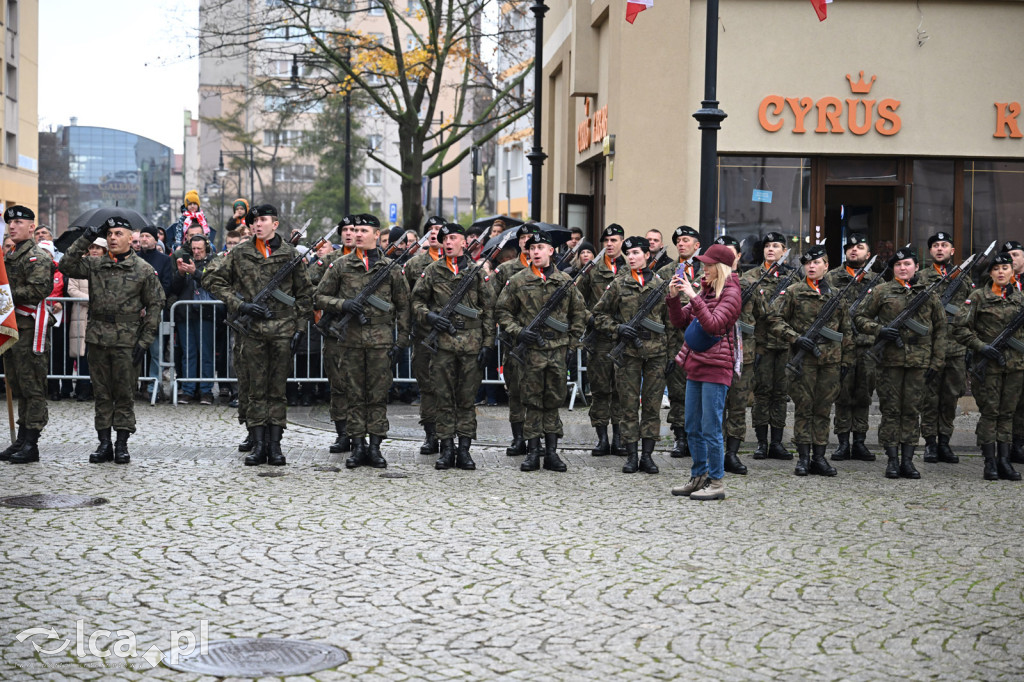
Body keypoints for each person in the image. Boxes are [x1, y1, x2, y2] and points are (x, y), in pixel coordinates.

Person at [204, 204, 313, 466]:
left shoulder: (290, 255)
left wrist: (299, 328)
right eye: (253, 221)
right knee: (254, 390)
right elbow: (211, 279)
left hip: (282, 331)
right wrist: (239, 304)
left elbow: (305, 294)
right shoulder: (240, 252)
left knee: (276, 390)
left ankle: (275, 446)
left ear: (275, 224)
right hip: (251, 331)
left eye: (263, 220)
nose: (257, 224)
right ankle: (258, 444)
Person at [58, 216, 165, 464]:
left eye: (118, 233)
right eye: (110, 234)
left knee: (125, 394)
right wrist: (86, 236)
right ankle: (104, 442)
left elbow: (156, 305)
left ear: (131, 238)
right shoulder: (96, 265)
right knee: (102, 394)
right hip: (97, 339)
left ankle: (122, 444)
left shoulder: (143, 270)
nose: (113, 238)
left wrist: (144, 341)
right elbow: (66, 265)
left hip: (127, 342)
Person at [315, 213, 411, 469]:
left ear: (376, 235)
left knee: (378, 395)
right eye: (355, 230)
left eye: (363, 231)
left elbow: (403, 306)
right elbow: (319, 297)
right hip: (351, 340)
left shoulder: (390, 268)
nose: (357, 234)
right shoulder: (341, 265)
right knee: (354, 394)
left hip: (381, 342)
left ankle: (376, 447)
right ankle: (357, 446)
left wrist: (401, 340)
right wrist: (344, 304)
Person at [495, 231, 587, 472]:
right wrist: (518, 331)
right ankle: (533, 452)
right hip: (531, 352)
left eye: (540, 247)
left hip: (557, 351)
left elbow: (579, 314)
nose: (535, 251)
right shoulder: (518, 280)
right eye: (532, 247)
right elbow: (502, 311)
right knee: (532, 401)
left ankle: (552, 453)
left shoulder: (564, 281)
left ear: (551, 251)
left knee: (553, 401)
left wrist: (572, 343)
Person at [854, 246, 946, 480]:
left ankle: (908, 460)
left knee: (912, 411)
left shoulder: (928, 293)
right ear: (893, 269)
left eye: (907, 264)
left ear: (916, 267)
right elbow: (860, 317)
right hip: (889, 362)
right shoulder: (882, 291)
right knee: (891, 411)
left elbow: (940, 330)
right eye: (898, 265)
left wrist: (936, 362)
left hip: (919, 363)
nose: (903, 268)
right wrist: (880, 330)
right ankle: (892, 460)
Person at [411, 222, 496, 470]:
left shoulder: (478, 272)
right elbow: (416, 301)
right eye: (444, 239)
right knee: (444, 398)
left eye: (453, 238)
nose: (448, 242)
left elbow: (490, 310)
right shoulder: (432, 271)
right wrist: (429, 316)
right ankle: (447, 448)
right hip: (443, 346)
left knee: (467, 400)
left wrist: (488, 344)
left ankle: (465, 450)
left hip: (471, 345)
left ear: (463, 242)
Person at [666, 243, 742, 501]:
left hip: (716, 368)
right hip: (695, 366)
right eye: (703, 264)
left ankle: (717, 481)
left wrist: (693, 296)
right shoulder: (707, 292)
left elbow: (713, 325)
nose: (702, 269)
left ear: (720, 268)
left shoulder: (731, 293)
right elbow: (680, 321)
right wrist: (674, 297)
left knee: (710, 428)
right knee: (692, 426)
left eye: (708, 265)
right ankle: (698, 477)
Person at [768, 244, 851, 477]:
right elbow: (774, 320)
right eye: (807, 263)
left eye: (816, 262)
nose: (811, 266)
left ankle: (819, 458)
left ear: (826, 266)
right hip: (802, 361)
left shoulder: (836, 295)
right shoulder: (794, 291)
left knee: (823, 410)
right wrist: (796, 339)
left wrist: (845, 362)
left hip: (830, 362)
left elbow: (846, 331)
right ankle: (803, 458)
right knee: (804, 409)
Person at [593, 235, 670, 474]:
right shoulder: (619, 284)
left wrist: (673, 354)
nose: (632, 257)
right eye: (629, 254)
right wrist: (618, 329)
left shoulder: (661, 284)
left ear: (648, 255)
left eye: (637, 253)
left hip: (656, 354)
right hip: (628, 354)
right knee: (627, 405)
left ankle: (647, 456)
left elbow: (672, 321)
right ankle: (631, 455)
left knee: (651, 405)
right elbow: (599, 315)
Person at [952, 252, 1024, 481]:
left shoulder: (1020, 299)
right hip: (988, 367)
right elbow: (960, 329)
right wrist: (981, 347)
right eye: (997, 269)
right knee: (990, 413)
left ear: (1013, 272)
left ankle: (1005, 460)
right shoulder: (977, 297)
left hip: (1015, 366)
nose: (1001, 272)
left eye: (1006, 268)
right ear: (991, 273)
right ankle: (990, 461)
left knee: (1008, 413)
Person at [0, 206, 56, 463]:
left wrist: (6, 293)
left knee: (32, 385)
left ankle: (31, 443)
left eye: (19, 222)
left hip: (30, 328)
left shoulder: (36, 256)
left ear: (32, 227)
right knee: (17, 383)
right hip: (14, 328)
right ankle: (21, 438)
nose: (12, 227)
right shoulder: (11, 255)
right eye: (10, 223)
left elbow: (37, 290)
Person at [918, 232, 973, 464]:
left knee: (950, 398)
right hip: (930, 348)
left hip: (956, 348)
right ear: (930, 251)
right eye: (935, 245)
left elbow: (972, 312)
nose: (940, 249)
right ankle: (930, 443)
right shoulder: (920, 278)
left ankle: (944, 442)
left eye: (945, 245)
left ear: (952, 251)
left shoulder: (963, 279)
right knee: (929, 398)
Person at [824, 233, 878, 462]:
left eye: (860, 247)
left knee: (863, 396)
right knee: (843, 395)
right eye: (850, 247)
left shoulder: (877, 281)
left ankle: (860, 442)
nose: (854, 250)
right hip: (841, 346)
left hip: (867, 347)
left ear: (868, 253)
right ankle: (843, 442)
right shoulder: (831, 278)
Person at [492, 223, 542, 457]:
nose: (527, 241)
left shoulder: (546, 269)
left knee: (539, 391)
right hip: (514, 341)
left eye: (531, 238)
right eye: (523, 238)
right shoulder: (506, 270)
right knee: (516, 391)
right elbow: (494, 303)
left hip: (541, 343)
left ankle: (537, 437)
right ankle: (518, 437)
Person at [580, 224, 628, 457]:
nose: (609, 244)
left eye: (614, 240)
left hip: (623, 339)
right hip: (599, 339)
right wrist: (591, 320)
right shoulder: (592, 270)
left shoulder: (631, 268)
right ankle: (602, 439)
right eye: (606, 240)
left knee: (620, 390)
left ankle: (618, 438)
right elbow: (577, 300)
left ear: (622, 242)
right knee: (599, 390)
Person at [655, 225, 702, 459]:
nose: (681, 244)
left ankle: (699, 437)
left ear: (697, 245)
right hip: (675, 341)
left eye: (686, 240)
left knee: (701, 392)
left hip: (703, 341)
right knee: (677, 392)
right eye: (678, 241)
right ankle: (680, 438)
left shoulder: (709, 271)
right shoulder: (666, 272)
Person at [749, 232, 795, 460]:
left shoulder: (794, 279)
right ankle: (760, 442)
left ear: (784, 251)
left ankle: (777, 442)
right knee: (762, 392)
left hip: (786, 345)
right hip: (762, 345)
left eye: (776, 246)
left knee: (780, 393)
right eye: (767, 245)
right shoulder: (751, 277)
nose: (770, 249)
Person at [403, 216, 446, 453]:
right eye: (429, 229)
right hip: (423, 336)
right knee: (427, 386)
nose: (433, 232)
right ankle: (431, 435)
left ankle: (449, 435)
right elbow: (407, 301)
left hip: (452, 337)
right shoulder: (413, 265)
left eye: (438, 229)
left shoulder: (463, 265)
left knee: (450, 387)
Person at [716, 235, 754, 475]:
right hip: (716, 354)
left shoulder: (750, 284)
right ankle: (716, 453)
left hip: (744, 356)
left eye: (731, 253)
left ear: (738, 256)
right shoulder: (707, 282)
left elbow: (766, 317)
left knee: (738, 407)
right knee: (716, 407)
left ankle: (732, 454)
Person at [172, 234, 219, 404]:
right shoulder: (186, 262)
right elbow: (175, 288)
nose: (197, 252)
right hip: (185, 313)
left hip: (205, 313)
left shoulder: (213, 262)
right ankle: (188, 388)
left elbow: (215, 283)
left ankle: (206, 390)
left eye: (200, 249)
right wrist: (180, 273)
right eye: (194, 249)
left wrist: (196, 273)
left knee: (206, 353)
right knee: (188, 353)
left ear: (206, 248)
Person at [66, 238, 107, 402]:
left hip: (102, 315)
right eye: (92, 247)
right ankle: (83, 389)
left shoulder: (109, 266)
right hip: (82, 314)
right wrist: (92, 299)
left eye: (98, 248)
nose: (94, 250)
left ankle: (99, 390)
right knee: (83, 354)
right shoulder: (79, 266)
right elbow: (71, 289)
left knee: (100, 355)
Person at [137, 226, 174, 400]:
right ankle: (133, 385)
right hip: (134, 311)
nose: (144, 239)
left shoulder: (164, 260)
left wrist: (150, 303)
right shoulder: (133, 258)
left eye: (147, 236)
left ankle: (154, 387)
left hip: (154, 311)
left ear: (155, 240)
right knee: (133, 349)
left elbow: (166, 285)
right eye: (142, 236)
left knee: (156, 351)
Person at [1003, 240, 1024, 463]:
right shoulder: (996, 286)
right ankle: (1005, 445)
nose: (1012, 258)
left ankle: (1019, 443)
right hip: (1008, 355)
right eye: (1008, 255)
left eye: (1016, 254)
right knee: (1009, 401)